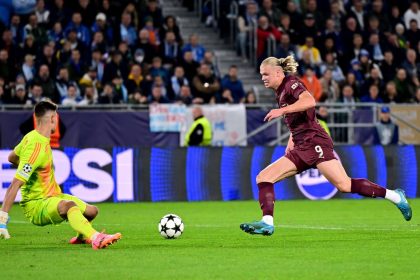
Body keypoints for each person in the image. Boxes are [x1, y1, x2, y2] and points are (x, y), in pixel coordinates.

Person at [240, 56, 412, 236]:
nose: (263, 78)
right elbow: (299, 119)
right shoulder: (280, 92)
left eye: (265, 74)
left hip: (314, 142)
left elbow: (309, 101)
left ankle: (394, 196)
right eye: (261, 75)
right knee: (264, 177)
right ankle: (267, 222)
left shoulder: (291, 83)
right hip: (301, 145)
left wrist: (281, 111)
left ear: (277, 72)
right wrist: (291, 141)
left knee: (344, 185)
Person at [0, 101, 122, 249]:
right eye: (56, 117)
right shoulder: (36, 148)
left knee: (92, 211)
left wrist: (31, 172)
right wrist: (2, 220)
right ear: (52, 119)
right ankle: (96, 238)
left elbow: (11, 157)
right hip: (37, 204)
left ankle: (82, 236)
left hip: (53, 196)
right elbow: (15, 184)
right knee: (69, 206)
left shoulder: (30, 136)